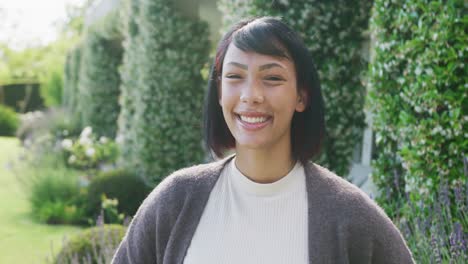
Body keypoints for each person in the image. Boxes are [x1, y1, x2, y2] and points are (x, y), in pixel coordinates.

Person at [112, 17, 414, 264]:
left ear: (301, 96)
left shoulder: (349, 216)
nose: (250, 95)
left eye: (272, 78)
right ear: (219, 93)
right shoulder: (176, 200)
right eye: (234, 77)